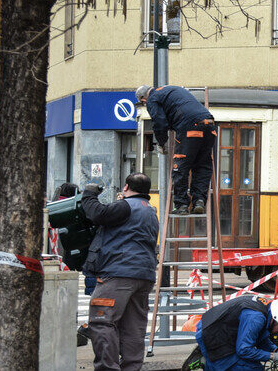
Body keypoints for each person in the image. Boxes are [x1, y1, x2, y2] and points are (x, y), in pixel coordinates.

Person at [80, 173, 159, 371]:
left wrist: (88, 195)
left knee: (102, 321)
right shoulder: (150, 210)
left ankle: (108, 368)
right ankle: (132, 368)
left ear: (125, 188)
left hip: (119, 273)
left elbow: (97, 213)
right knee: (134, 327)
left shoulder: (125, 205)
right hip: (144, 275)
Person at [135, 85, 216, 215]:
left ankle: (182, 205)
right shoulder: (170, 89)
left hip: (190, 127)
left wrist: (161, 143)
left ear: (143, 100)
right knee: (202, 166)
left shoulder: (152, 99)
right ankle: (199, 201)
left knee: (180, 166)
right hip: (209, 124)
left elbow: (160, 122)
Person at [194, 296, 278, 370]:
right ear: (276, 319)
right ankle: (205, 362)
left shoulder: (267, 309)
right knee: (250, 368)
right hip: (212, 336)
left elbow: (259, 336)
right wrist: (273, 356)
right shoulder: (256, 318)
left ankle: (206, 363)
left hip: (217, 328)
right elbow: (244, 350)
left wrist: (277, 350)